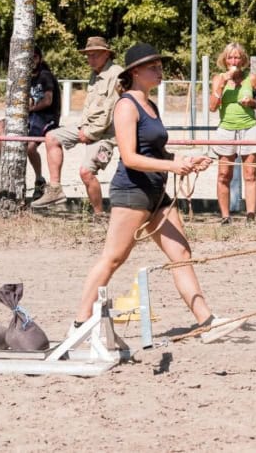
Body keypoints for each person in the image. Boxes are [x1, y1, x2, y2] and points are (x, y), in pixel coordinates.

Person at [70, 42, 245, 343]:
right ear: (135, 72)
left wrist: (183, 161)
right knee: (113, 258)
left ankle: (206, 322)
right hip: (133, 192)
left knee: (181, 254)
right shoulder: (126, 105)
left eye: (159, 65)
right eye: (153, 66)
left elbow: (156, 150)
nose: (159, 70)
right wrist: (173, 167)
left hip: (156, 192)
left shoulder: (150, 105)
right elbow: (129, 157)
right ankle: (78, 324)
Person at [31, 36, 123, 218]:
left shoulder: (116, 74)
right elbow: (91, 109)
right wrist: (83, 129)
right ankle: (55, 188)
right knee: (52, 137)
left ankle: (99, 214)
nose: (90, 59)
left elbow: (110, 111)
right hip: (87, 126)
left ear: (106, 54)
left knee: (86, 172)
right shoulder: (95, 74)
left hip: (105, 134)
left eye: (94, 55)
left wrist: (88, 133)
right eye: (88, 56)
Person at [0, 48, 60, 200]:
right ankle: (2, 164)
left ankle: (39, 180)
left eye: (32, 58)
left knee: (30, 146)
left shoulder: (45, 75)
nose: (29, 62)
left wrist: (30, 108)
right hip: (31, 115)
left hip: (46, 116)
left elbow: (48, 100)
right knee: (0, 125)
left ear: (38, 59)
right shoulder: (26, 77)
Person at [209, 43, 256, 225]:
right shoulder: (218, 78)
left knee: (250, 174)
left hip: (249, 128)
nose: (234, 61)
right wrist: (221, 85)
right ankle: (225, 217)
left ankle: (250, 216)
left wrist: (253, 102)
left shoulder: (251, 79)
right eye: (230, 57)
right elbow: (212, 107)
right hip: (226, 129)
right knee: (223, 174)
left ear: (243, 60)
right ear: (224, 60)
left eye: (237, 57)